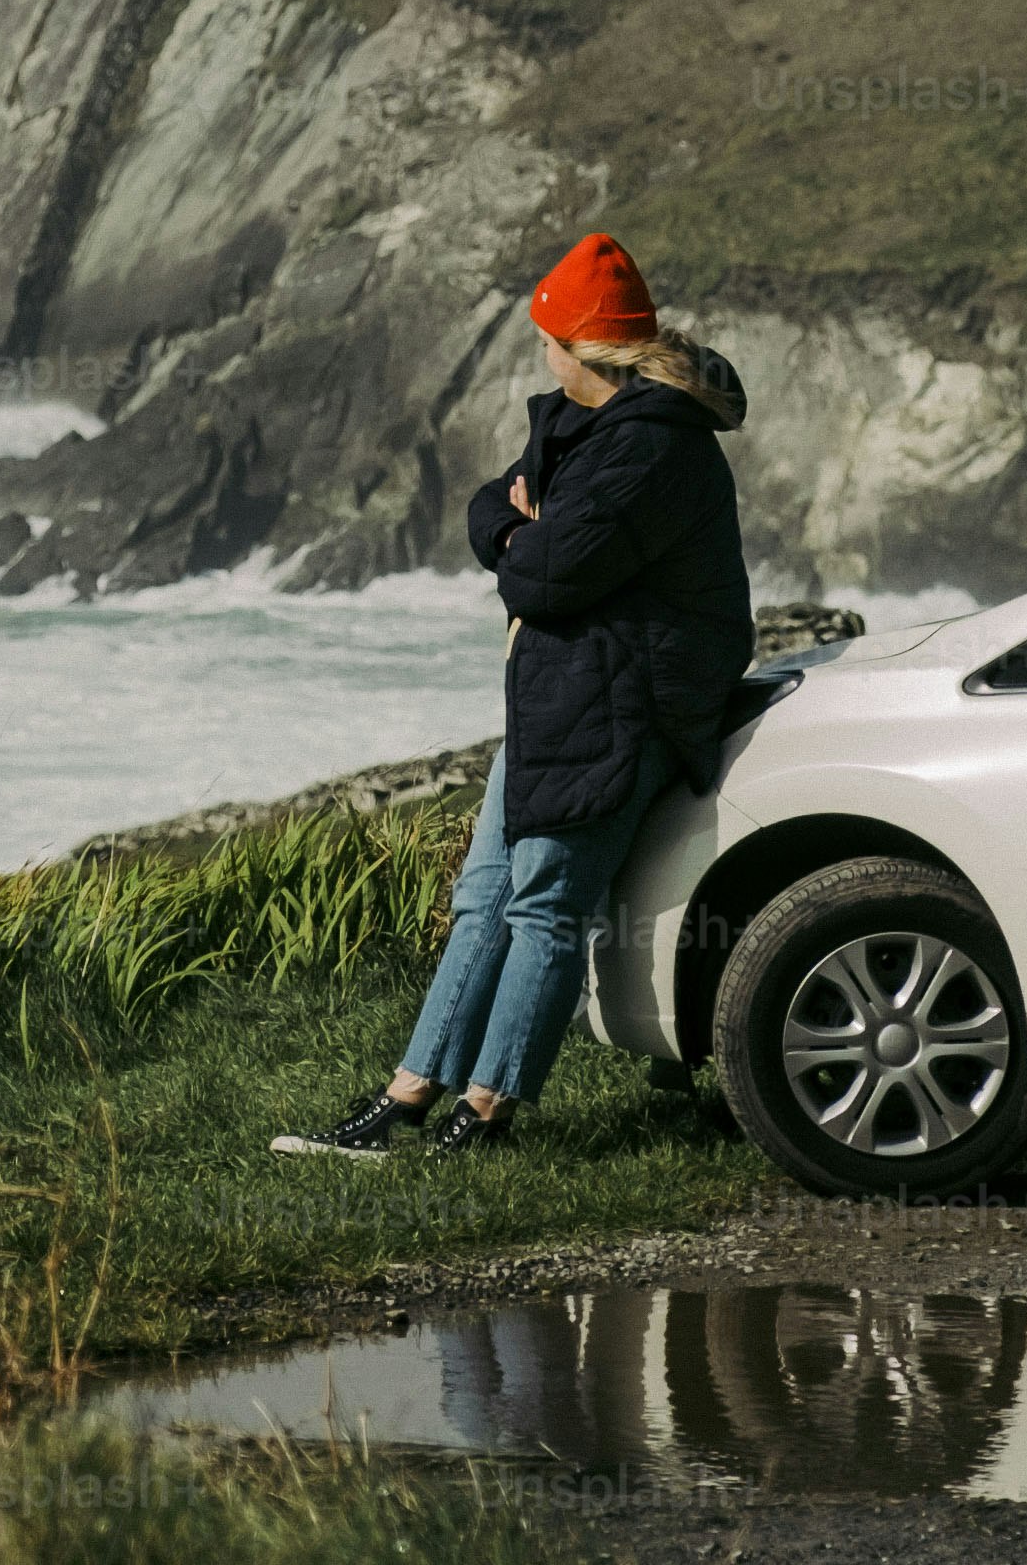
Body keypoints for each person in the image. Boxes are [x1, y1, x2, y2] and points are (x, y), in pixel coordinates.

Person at [278, 231, 754, 1157]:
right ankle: (408, 1097)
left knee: (543, 902)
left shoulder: (650, 450)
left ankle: (486, 1113)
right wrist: (514, 524)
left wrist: (520, 541)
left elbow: (543, 577)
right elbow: (494, 502)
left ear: (585, 348)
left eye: (547, 338)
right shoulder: (589, 427)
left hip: (620, 705)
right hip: (561, 694)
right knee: (485, 891)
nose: (539, 355)